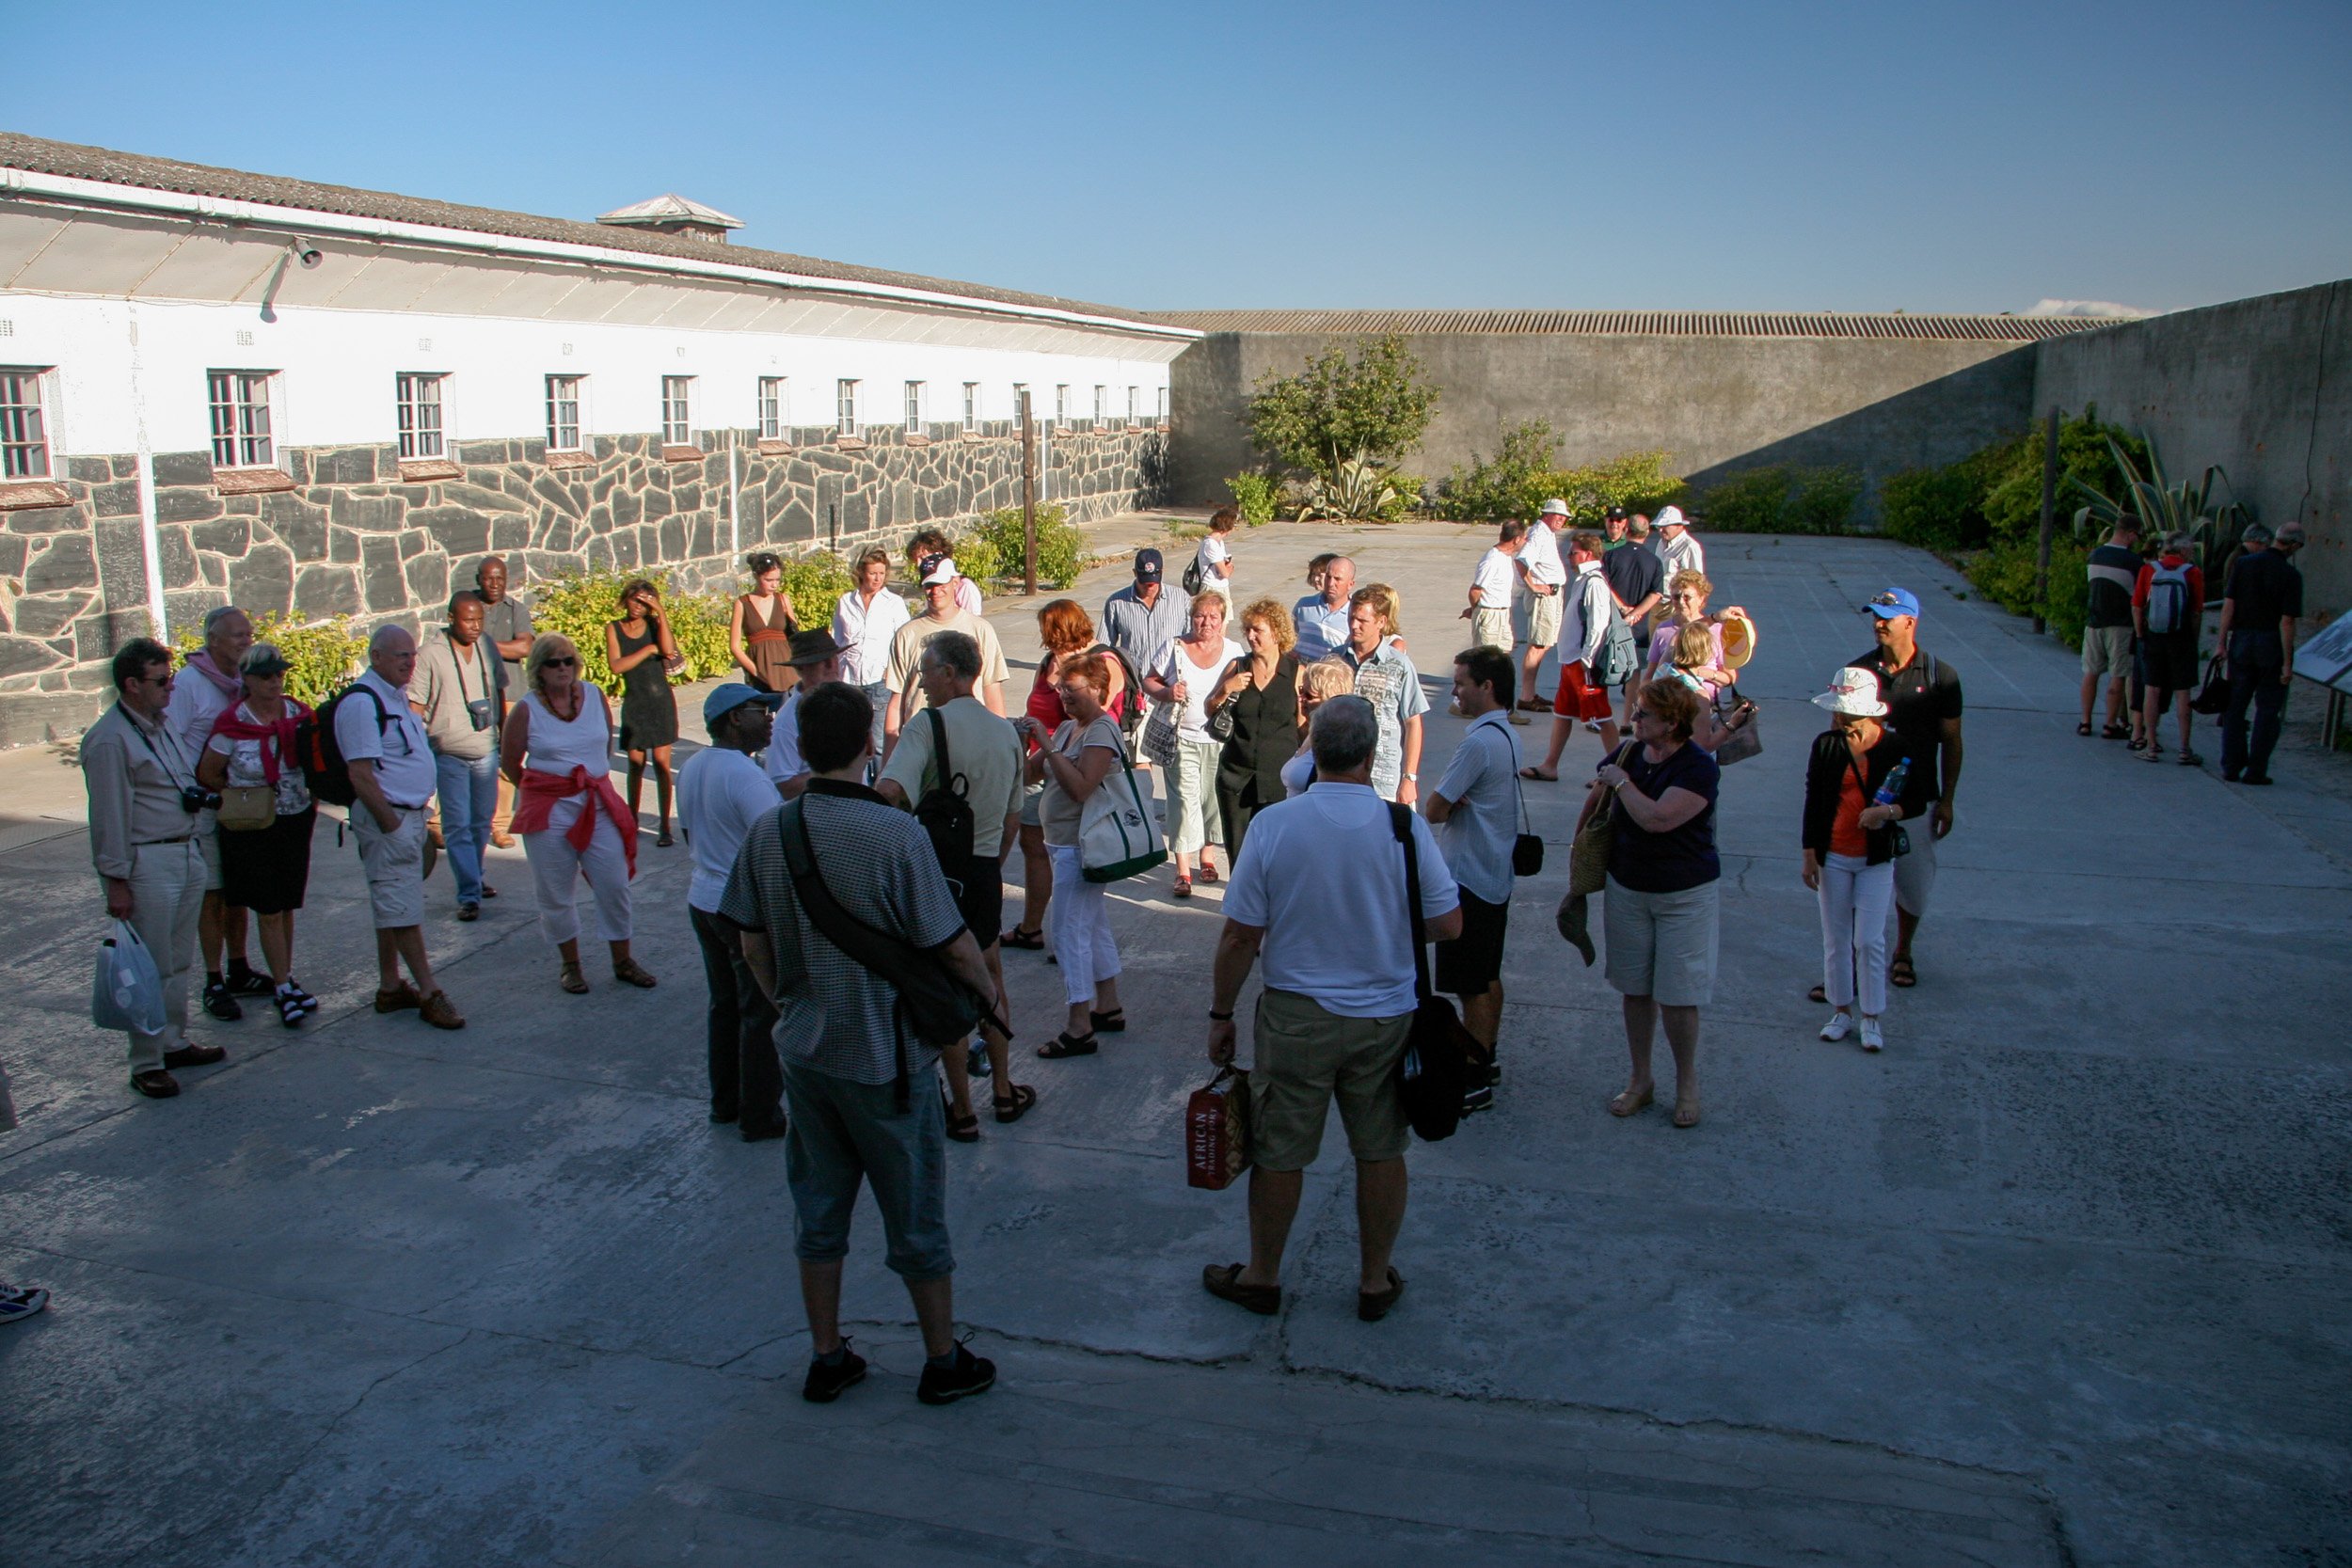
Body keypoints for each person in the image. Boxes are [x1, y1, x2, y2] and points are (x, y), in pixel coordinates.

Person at [719, 682, 1000, 1407]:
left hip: (807, 1055)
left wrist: (788, 997)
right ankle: (941, 1359)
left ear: (804, 748)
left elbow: (749, 940)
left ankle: (827, 1353)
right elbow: (951, 942)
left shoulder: (771, 832)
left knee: (818, 1210)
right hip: (888, 1058)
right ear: (870, 745)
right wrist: (991, 999)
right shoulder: (894, 834)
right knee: (915, 1212)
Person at [1202, 696, 1462, 1323]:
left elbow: (1240, 936)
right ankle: (1374, 1280)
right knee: (1379, 1149)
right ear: (1373, 755)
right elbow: (1448, 923)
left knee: (1281, 1150)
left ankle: (1263, 1275)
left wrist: (1220, 1013)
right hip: (1386, 1018)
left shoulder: (1273, 826)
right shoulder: (1403, 827)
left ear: (1312, 749)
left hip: (1296, 1017)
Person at [878, 631, 1032, 1138]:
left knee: (943, 988)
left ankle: (963, 1111)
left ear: (949, 673)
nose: (920, 681)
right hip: (984, 871)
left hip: (935, 875)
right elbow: (1013, 819)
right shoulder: (1006, 733)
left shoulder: (928, 725)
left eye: (926, 669)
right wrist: (989, 863)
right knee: (990, 982)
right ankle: (1005, 1092)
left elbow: (889, 791)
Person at [83, 638, 226, 1097]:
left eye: (171, 679)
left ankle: (171, 1040)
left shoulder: (159, 724)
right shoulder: (110, 739)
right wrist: (116, 881)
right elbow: (109, 817)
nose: (170, 688)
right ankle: (145, 1062)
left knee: (179, 961)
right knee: (152, 964)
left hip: (184, 850)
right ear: (131, 685)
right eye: (161, 681)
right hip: (148, 859)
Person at [1591, 678, 1720, 1130]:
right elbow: (1594, 801)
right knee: (1635, 988)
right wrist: (1578, 870)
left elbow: (1658, 819)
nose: (1634, 719)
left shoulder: (1698, 767)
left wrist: (1623, 785)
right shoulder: (1628, 753)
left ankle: (1687, 1083)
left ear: (1672, 723)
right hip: (1629, 887)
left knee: (1679, 995)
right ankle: (1640, 1079)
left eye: (1644, 714)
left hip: (1684, 894)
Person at [503, 632, 655, 995]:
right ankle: (570, 966)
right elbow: (510, 762)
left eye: (568, 660)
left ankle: (623, 960)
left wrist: (589, 777)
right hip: (550, 808)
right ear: (539, 669)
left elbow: (602, 747)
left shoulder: (594, 696)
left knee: (614, 882)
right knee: (555, 891)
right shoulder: (527, 708)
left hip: (596, 802)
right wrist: (548, 787)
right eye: (554, 662)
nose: (563, 668)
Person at [675, 682, 787, 1141]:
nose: (770, 718)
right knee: (760, 1013)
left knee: (724, 1008)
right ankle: (760, 1115)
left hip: (703, 899)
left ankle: (725, 1104)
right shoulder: (746, 777)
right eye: (762, 710)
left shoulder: (693, 766)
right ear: (735, 719)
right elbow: (775, 849)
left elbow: (687, 834)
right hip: (740, 910)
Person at [340, 626, 465, 1030]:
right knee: (404, 909)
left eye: (411, 655)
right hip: (388, 819)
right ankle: (429, 991)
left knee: (394, 904)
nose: (410, 662)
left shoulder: (394, 698)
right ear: (375, 657)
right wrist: (392, 826)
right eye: (400, 656)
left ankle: (391, 986)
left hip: (407, 817)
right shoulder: (363, 703)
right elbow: (360, 775)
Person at [1801, 668, 1931, 1053]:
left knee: (1869, 939)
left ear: (1869, 714)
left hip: (1875, 858)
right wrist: (1809, 853)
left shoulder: (1896, 748)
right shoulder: (1826, 745)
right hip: (1834, 855)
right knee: (1836, 938)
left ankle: (1872, 1016)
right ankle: (1841, 1011)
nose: (1841, 720)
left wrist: (1885, 814)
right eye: (1840, 713)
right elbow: (1814, 799)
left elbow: (1918, 800)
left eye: (1848, 715)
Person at [195, 643, 320, 1028]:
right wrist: (240, 798)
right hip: (254, 826)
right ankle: (282, 985)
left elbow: (316, 756)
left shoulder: (299, 714)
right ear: (247, 680)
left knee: (286, 905)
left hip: (295, 818)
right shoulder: (234, 722)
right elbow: (209, 772)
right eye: (265, 675)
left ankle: (285, 974)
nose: (274, 681)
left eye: (279, 674)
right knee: (267, 907)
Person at [1014, 654, 1127, 1060]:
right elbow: (1031, 775)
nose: (1063, 696)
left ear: (1097, 690)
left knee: (1068, 934)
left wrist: (1048, 747)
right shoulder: (1066, 727)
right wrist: (1029, 744)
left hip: (1083, 847)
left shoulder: (1101, 730)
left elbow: (1081, 788)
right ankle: (1108, 1007)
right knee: (1092, 927)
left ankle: (1079, 1026)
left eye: (1071, 689)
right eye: (1060, 688)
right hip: (1061, 841)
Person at [1851, 587, 1963, 992]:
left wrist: (1947, 799)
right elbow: (1839, 736)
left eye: (1886, 616)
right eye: (1875, 615)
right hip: (1864, 797)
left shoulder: (1940, 677)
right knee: (1857, 878)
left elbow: (1952, 741)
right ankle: (1851, 957)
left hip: (1917, 799)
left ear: (1910, 623)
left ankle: (1903, 950)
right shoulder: (1858, 672)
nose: (1878, 623)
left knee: (1913, 882)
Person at [1424, 646, 1520, 1114]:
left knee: (1471, 987)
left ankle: (1475, 1077)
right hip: (1494, 874)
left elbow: (1434, 808)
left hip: (1468, 879)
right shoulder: (1504, 734)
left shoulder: (1477, 743)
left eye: (1461, 682)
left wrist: (1451, 800)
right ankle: (1488, 1058)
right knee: (1486, 975)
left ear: (1487, 687)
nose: (1455, 689)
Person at [1006, 601, 1130, 952]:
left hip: (1070, 763)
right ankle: (1032, 927)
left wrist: (1049, 743)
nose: (1045, 639)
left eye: (1049, 630)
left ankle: (1072, 939)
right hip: (1042, 757)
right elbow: (1036, 705)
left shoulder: (1100, 663)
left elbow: (1096, 720)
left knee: (1071, 856)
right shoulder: (1048, 664)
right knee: (1033, 844)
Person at [166, 605, 264, 1020]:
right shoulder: (189, 684)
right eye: (237, 635)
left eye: (249, 633)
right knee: (212, 895)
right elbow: (169, 741)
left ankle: (239, 968)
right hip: (201, 804)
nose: (246, 641)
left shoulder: (244, 681)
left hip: (237, 801)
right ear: (213, 641)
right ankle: (213, 979)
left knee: (237, 890)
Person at [413, 591, 505, 920]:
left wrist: (505, 738)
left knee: (482, 820)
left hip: (486, 749)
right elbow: (415, 705)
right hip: (448, 752)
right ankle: (468, 894)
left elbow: (501, 691)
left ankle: (475, 876)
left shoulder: (487, 646)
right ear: (451, 617)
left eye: (479, 619)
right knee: (456, 825)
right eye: (468, 619)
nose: (475, 626)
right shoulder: (429, 654)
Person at [1146, 591, 1246, 894]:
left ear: (1222, 619)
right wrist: (1166, 692)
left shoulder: (1234, 650)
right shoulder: (1175, 647)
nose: (1206, 622)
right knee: (1183, 801)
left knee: (1213, 799)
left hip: (1220, 739)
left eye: (1213, 616)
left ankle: (1207, 857)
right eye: (1200, 616)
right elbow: (1149, 680)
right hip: (1182, 738)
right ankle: (1183, 871)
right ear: (1191, 618)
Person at [884, 553, 1010, 758]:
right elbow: (898, 698)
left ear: (956, 582)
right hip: (922, 740)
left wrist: (1000, 742)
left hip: (971, 738)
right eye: (929, 585)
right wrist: (888, 762)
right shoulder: (906, 634)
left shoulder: (981, 629)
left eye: (941, 584)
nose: (935, 591)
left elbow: (992, 689)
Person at [1210, 598, 1301, 863]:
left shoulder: (1296, 673)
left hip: (1279, 780)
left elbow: (1304, 725)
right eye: (1248, 629)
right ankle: (1239, 902)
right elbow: (1209, 709)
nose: (1250, 636)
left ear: (1276, 632)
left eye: (1257, 630)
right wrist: (1226, 689)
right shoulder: (1237, 667)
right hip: (1236, 777)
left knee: (1277, 854)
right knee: (1238, 854)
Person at [1519, 532, 1617, 781]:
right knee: (1563, 714)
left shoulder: (1594, 582)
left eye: (1573, 552)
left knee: (1602, 717)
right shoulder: (1584, 580)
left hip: (1582, 663)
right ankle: (1550, 765)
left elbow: (1599, 622)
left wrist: (1588, 657)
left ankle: (1618, 770)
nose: (1569, 557)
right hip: (1571, 661)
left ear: (1588, 554)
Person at [2216, 520, 2304, 785]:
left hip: (2242, 640)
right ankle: (2256, 769)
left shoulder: (2243, 564)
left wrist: (2222, 642)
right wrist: (2288, 663)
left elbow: (2228, 606)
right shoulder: (2291, 575)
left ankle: (2231, 765)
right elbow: (2287, 621)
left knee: (2235, 706)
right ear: (2295, 545)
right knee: (2267, 709)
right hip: (2270, 643)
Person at [606, 578, 683, 845]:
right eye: (634, 600)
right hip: (635, 702)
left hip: (660, 701)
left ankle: (665, 827)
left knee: (662, 766)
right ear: (625, 599)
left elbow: (668, 649)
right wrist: (648, 649)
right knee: (635, 765)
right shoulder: (614, 628)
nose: (638, 606)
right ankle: (632, 821)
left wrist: (661, 613)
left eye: (644, 602)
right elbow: (617, 666)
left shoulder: (654, 624)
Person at [1339, 587, 1427, 803]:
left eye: (1362, 620)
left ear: (1381, 622)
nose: (1353, 625)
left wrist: (1409, 778)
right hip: (1341, 775)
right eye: (1351, 617)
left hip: (1384, 780)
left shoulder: (1399, 665)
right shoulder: (1335, 660)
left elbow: (1413, 723)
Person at [2130, 534, 2207, 767]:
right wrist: (2193, 639)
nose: (2193, 553)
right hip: (2181, 639)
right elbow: (2196, 612)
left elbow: (2137, 605)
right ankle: (2185, 749)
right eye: (2191, 550)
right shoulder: (2192, 573)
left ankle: (2151, 745)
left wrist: (2141, 634)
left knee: (2151, 690)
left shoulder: (2149, 570)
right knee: (2183, 693)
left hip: (2154, 637)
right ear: (2183, 552)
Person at [475, 555, 534, 847]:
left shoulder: (516, 609)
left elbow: (524, 646)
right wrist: (504, 648)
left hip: (509, 692)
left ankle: (499, 825)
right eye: (488, 577)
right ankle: (440, 821)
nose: (495, 584)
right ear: (478, 579)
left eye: (500, 578)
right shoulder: (468, 606)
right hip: (471, 692)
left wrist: (481, 643)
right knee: (459, 755)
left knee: (505, 759)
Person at [833, 544, 910, 758]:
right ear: (861, 573)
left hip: (879, 680)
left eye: (881, 574)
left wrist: (893, 671)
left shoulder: (893, 603)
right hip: (849, 679)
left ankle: (880, 785)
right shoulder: (846, 602)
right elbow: (837, 640)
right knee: (850, 737)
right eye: (872, 573)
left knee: (878, 741)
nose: (877, 579)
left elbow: (903, 640)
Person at [1601, 509, 1667, 729]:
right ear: (1647, 534)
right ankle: (1627, 719)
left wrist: (1621, 608)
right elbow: (1657, 593)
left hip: (1611, 622)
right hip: (1639, 627)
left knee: (1602, 668)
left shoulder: (1611, 556)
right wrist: (1637, 613)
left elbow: (1603, 584)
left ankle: (1600, 716)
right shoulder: (1655, 562)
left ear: (1626, 530)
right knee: (1634, 672)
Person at [764, 630, 849, 799]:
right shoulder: (787, 721)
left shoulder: (847, 701)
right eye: (822, 662)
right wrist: (841, 768)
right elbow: (783, 785)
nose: (832, 666)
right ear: (800, 668)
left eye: (833, 658)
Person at [2079, 515, 2143, 739]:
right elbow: (2138, 596)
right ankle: (2110, 723)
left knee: (2090, 672)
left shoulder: (2095, 555)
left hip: (2094, 621)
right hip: (2121, 625)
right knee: (2118, 674)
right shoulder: (2134, 562)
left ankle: (2085, 721)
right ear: (2131, 534)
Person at [1102, 548, 1191, 703]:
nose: (1149, 587)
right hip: (1134, 692)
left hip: (1170, 688)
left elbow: (1192, 640)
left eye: (1153, 581)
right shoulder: (1116, 603)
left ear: (1162, 572)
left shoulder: (1181, 599)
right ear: (1134, 573)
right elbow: (1103, 649)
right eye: (1145, 581)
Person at [1462, 521, 1525, 711]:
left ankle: (1502, 706)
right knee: (1484, 662)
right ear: (1516, 539)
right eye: (1524, 539)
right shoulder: (1491, 560)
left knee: (1503, 660)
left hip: (1503, 613)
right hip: (1489, 613)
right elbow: (1475, 590)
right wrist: (1476, 611)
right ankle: (1462, 702)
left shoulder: (1506, 558)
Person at [1514, 500, 1569, 714]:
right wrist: (1533, 585)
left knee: (1544, 643)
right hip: (1544, 596)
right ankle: (1526, 696)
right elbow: (1522, 561)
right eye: (1558, 516)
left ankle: (1530, 693)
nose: (1562, 520)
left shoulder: (1547, 533)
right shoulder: (1538, 534)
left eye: (1564, 517)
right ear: (1547, 514)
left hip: (1552, 594)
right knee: (1538, 644)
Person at [1281, 659, 1358, 798]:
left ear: (1329, 700)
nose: (1300, 698)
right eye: (1301, 690)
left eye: (1309, 695)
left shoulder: (1336, 743)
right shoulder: (1312, 732)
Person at [729, 551, 801, 695]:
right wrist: (755, 671)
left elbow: (795, 637)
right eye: (769, 580)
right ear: (756, 576)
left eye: (777, 580)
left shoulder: (783, 600)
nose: (774, 585)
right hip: (759, 670)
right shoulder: (742, 603)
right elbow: (734, 646)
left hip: (787, 668)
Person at [1292, 553, 1356, 663]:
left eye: (1337, 579)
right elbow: (1289, 636)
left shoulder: (1355, 615)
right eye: (1328, 577)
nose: (1331, 583)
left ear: (1350, 584)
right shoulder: (1304, 606)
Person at [905, 528, 982, 617]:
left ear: (939, 553)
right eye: (916, 560)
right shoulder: (928, 585)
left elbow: (972, 622)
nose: (918, 564)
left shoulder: (965, 587)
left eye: (922, 558)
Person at [1194, 507, 1239, 601]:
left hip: (1221, 586)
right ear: (1227, 526)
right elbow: (1224, 573)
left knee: (1227, 616)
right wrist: (1230, 568)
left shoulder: (1219, 542)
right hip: (1212, 588)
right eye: (1234, 524)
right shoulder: (1210, 544)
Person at [1653, 505, 1705, 583]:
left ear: (1679, 526)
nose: (1660, 530)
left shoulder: (1690, 546)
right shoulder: (1661, 543)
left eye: (1665, 526)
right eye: (1658, 526)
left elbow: (1697, 581)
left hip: (1675, 594)